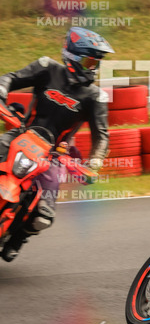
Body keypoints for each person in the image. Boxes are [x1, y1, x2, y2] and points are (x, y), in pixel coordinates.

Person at [0, 27, 114, 261]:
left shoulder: (95, 97)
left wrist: (93, 165)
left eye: (96, 63)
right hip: (21, 134)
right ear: (72, 57)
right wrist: (1, 90)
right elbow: (11, 78)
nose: (93, 67)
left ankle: (18, 238)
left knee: (44, 216)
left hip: (54, 155)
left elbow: (101, 136)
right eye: (89, 61)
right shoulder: (46, 68)